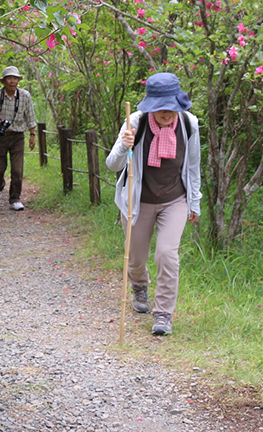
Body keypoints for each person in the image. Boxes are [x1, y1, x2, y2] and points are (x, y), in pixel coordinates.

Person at [105, 72, 201, 336]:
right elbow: (111, 164)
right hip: (138, 201)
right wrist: (124, 146)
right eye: (161, 108)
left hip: (175, 200)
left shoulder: (189, 124)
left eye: (172, 107)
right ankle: (139, 285)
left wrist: (195, 203)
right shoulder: (135, 122)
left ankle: (163, 314)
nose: (167, 114)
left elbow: (193, 167)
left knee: (167, 254)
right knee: (136, 258)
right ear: (150, 106)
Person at [0, 66, 37, 211]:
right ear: (4, 81)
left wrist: (32, 135)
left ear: (18, 80)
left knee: (17, 170)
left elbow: (30, 117)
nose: (12, 81)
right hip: (0, 136)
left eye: (15, 78)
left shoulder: (25, 96)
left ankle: (15, 198)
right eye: (9, 78)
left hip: (18, 136)